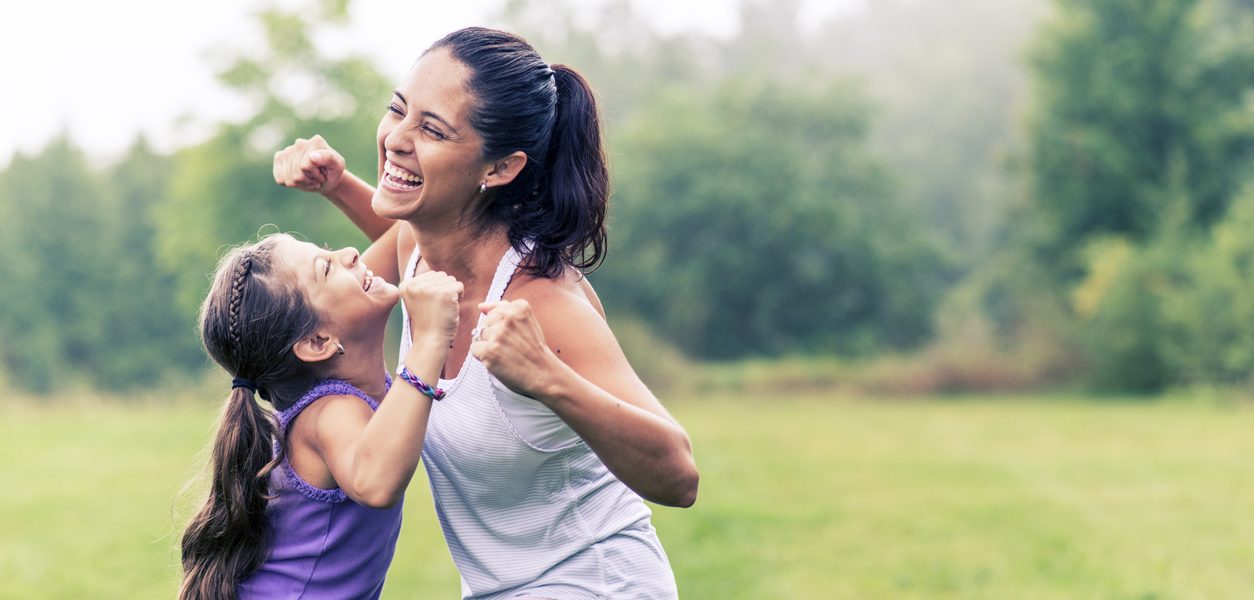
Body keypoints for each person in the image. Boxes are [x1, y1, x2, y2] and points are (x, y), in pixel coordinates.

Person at [272, 26, 699, 599]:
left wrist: (547, 377)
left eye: (431, 128)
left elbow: (678, 474)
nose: (397, 138)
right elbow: (358, 287)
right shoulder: (416, 252)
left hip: (597, 584)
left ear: (498, 168)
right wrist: (341, 185)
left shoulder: (541, 303)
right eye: (398, 110)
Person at [179, 232, 463, 600]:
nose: (351, 252)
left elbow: (405, 235)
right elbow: (376, 483)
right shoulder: (329, 412)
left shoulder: (338, 390)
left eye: (327, 251)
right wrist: (429, 341)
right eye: (326, 267)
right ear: (317, 342)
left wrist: (337, 185)